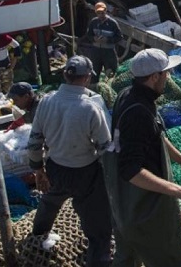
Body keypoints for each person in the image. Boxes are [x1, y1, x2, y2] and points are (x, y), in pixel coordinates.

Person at [104, 48, 181, 267]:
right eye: (166, 73)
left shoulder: (128, 95)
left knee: (126, 259)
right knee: (170, 259)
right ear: (154, 77)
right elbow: (131, 170)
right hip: (143, 207)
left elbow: (156, 135)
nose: (168, 78)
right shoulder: (138, 113)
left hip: (123, 207)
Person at [26, 56, 113, 267]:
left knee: (49, 203)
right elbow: (105, 147)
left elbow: (35, 140)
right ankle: (99, 261)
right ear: (88, 78)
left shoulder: (46, 101)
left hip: (55, 168)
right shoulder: (91, 107)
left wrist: (38, 169)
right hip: (87, 172)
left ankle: (36, 238)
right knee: (98, 225)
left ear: (65, 74)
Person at [80, 2, 122, 83]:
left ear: (106, 11)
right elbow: (89, 35)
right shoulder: (93, 22)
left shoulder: (112, 23)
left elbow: (119, 37)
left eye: (102, 12)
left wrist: (108, 40)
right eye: (98, 13)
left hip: (109, 52)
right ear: (96, 12)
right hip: (96, 51)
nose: (101, 15)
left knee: (111, 73)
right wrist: (94, 38)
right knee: (94, 73)